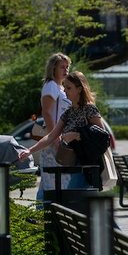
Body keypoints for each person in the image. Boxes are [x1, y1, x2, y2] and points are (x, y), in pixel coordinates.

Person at [20, 70, 105, 190]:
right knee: (73, 201)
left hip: (88, 166)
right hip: (73, 164)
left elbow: (102, 136)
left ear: (79, 89)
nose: (64, 91)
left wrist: (77, 135)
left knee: (72, 200)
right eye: (64, 87)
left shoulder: (89, 109)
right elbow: (51, 136)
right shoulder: (68, 112)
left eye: (68, 88)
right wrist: (30, 150)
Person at [35, 53, 72, 201]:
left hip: (58, 137)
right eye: (62, 67)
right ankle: (43, 214)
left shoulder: (60, 87)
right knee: (52, 180)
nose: (66, 70)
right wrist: (55, 138)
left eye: (67, 67)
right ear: (53, 68)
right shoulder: (51, 86)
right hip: (53, 139)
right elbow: (47, 112)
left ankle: (39, 215)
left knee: (49, 180)